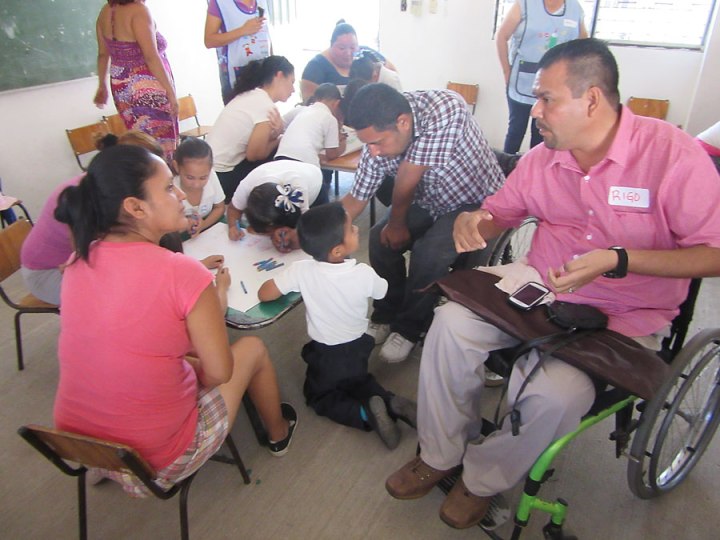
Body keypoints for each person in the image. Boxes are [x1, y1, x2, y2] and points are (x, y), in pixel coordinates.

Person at [385, 38, 720, 530]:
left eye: (546, 98)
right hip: (538, 289)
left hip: (622, 315)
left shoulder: (671, 157)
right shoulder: (544, 157)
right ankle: (441, 451)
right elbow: (501, 212)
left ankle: (482, 478)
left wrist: (618, 259)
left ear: (592, 100)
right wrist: (477, 221)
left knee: (555, 396)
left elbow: (714, 252)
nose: (534, 109)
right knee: (449, 324)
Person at [52, 145, 298, 497]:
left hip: (81, 445)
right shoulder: (180, 273)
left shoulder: (79, 259)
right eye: (169, 187)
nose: (182, 193)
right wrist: (192, 357)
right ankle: (278, 432)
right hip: (158, 459)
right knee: (252, 349)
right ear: (135, 207)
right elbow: (218, 373)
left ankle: (107, 468)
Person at [342, 83, 505, 364]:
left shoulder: (445, 107)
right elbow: (356, 197)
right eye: (367, 143)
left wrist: (397, 224)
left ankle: (409, 327)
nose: (374, 152)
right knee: (378, 240)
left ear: (403, 123)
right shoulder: (378, 139)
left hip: (475, 202)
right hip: (429, 199)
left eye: (377, 142)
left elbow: (408, 175)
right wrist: (310, 232)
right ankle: (387, 311)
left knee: (429, 254)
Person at [258, 202, 416, 449]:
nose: (356, 229)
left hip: (327, 352)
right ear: (338, 251)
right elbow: (384, 291)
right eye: (351, 228)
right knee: (358, 380)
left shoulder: (301, 270)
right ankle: (389, 401)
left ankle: (365, 415)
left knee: (319, 396)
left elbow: (265, 294)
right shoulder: (363, 273)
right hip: (359, 346)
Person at [20, 131, 164, 306]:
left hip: (76, 263)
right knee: (132, 293)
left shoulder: (113, 186)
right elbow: (90, 263)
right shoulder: (86, 195)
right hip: (47, 273)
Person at [496, 0, 587, 154]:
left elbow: (584, 45)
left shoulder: (575, 8)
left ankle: (536, 172)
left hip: (555, 85)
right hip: (521, 81)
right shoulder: (524, 5)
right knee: (516, 130)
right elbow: (501, 36)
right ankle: (506, 172)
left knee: (542, 133)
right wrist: (507, 71)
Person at [93, 0, 179, 161]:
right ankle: (163, 181)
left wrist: (102, 86)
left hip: (121, 86)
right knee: (160, 147)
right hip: (146, 85)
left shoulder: (105, 11)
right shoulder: (139, 11)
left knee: (140, 145)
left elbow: (103, 54)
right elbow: (151, 57)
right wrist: (171, 92)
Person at [207, 55, 295, 202]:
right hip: (219, 178)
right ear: (279, 75)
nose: (293, 89)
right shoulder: (265, 105)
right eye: (291, 82)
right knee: (279, 155)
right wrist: (279, 137)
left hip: (211, 170)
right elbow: (254, 155)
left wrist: (277, 134)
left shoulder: (251, 95)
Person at [225, 160, 323, 248]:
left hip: (313, 178)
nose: (269, 236)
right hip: (280, 170)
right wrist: (233, 226)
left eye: (270, 233)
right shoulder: (246, 187)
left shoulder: (298, 192)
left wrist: (291, 242)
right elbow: (233, 209)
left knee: (318, 235)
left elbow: (306, 232)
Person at [276, 83, 346, 205]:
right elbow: (332, 155)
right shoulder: (330, 119)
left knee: (288, 201)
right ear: (336, 103)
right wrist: (342, 140)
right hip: (306, 166)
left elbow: (281, 124)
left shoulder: (301, 110)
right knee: (321, 206)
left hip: (280, 159)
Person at [300, 21, 396, 102]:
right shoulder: (315, 66)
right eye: (342, 48)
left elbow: (392, 73)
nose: (348, 53)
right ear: (331, 45)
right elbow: (309, 102)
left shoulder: (366, 54)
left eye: (353, 47)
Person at [204, 0, 272, 105]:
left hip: (263, 71)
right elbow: (209, 41)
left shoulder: (261, 2)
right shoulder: (220, 3)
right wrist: (243, 30)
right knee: (242, 115)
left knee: (265, 114)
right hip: (237, 74)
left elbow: (267, 35)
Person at [172, 137, 225, 237]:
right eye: (190, 177)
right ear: (176, 167)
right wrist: (185, 225)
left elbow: (220, 208)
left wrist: (203, 225)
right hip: (181, 232)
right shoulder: (171, 189)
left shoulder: (212, 176)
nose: (196, 184)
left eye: (203, 178)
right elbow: (166, 230)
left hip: (208, 223)